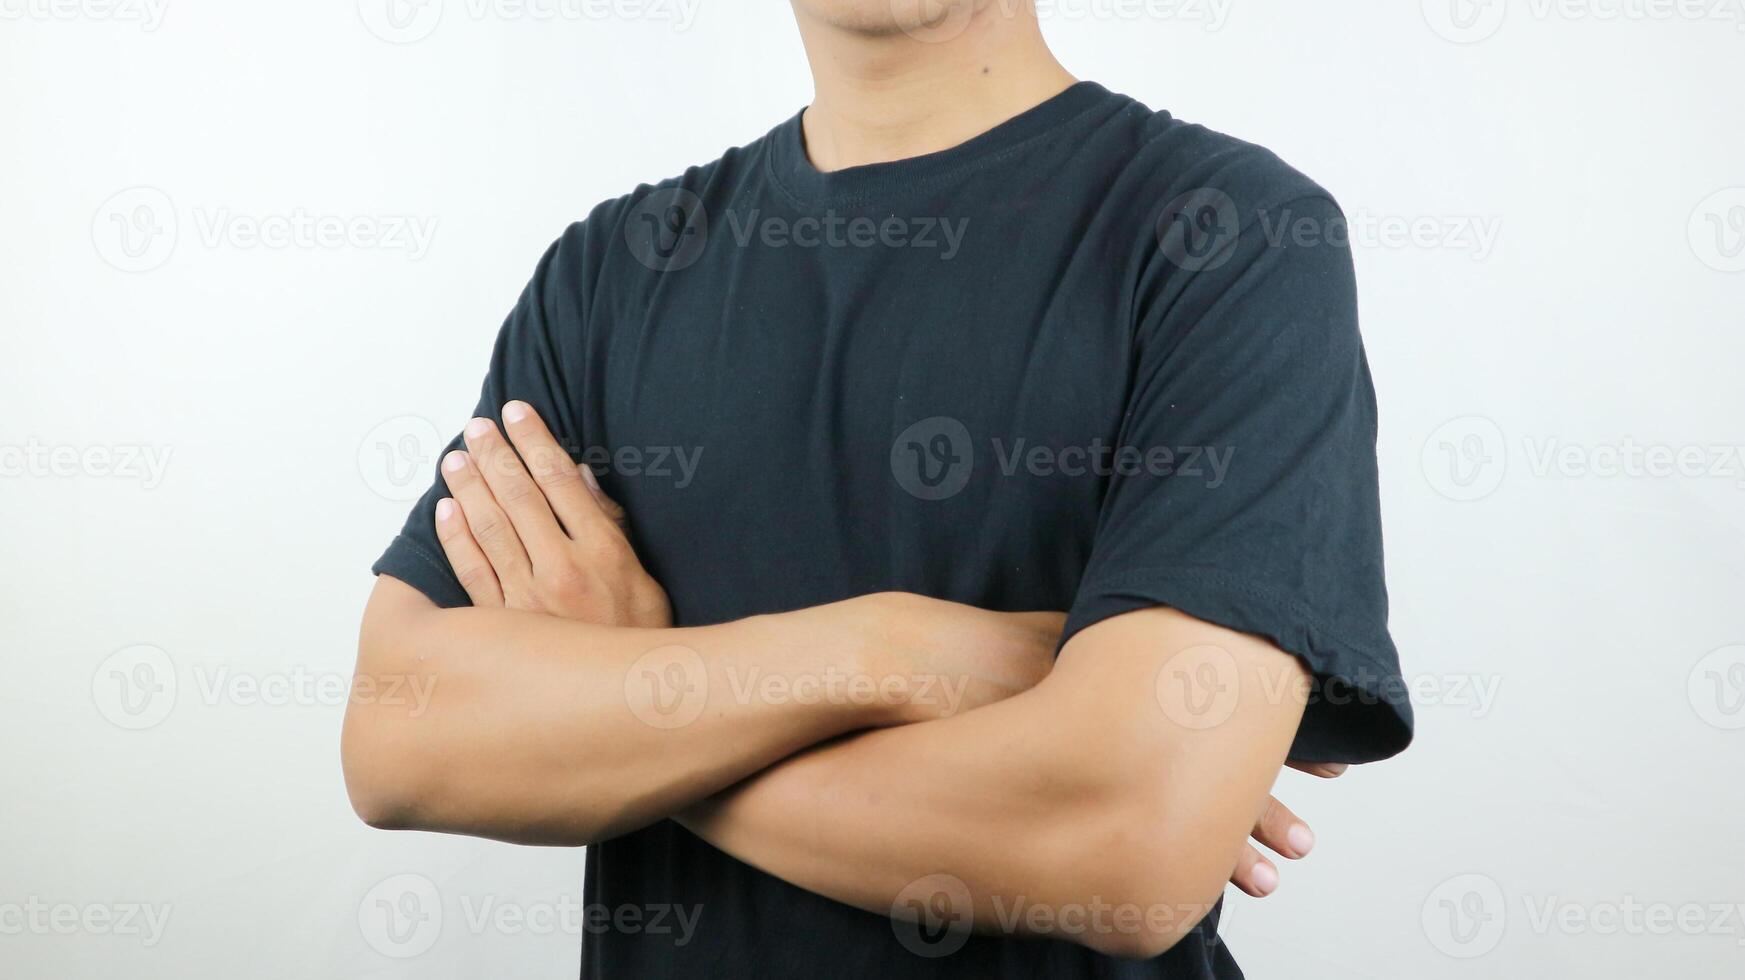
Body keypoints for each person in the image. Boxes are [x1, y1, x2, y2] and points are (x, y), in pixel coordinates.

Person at [341, 2, 1413, 976]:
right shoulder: (610, 273)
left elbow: (1128, 840)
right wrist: (886, 652)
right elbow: (399, 739)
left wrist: (637, 696)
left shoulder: (1229, 239)